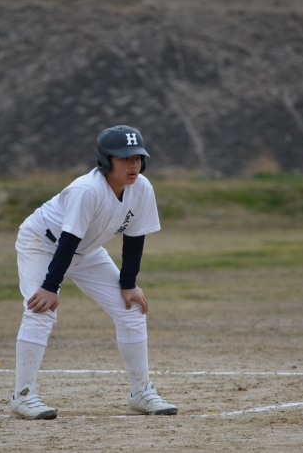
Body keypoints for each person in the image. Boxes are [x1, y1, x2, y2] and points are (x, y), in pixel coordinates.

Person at [11, 125, 178, 419]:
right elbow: (68, 239)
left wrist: (128, 283)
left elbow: (135, 237)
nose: (133, 165)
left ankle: (140, 393)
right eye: (124, 158)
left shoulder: (142, 188)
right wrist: (50, 286)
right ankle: (23, 396)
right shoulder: (87, 190)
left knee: (131, 308)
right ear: (105, 160)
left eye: (137, 157)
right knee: (40, 309)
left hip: (85, 250)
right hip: (42, 243)